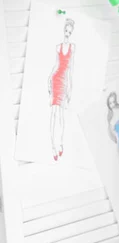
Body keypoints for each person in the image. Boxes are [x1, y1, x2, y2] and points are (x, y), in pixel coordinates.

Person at [48, 18, 75, 161]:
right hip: (56, 79)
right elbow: (56, 65)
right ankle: (53, 146)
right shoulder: (58, 47)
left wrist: (70, 87)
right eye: (66, 30)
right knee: (53, 113)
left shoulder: (72, 48)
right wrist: (49, 80)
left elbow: (71, 69)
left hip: (64, 82)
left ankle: (61, 143)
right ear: (63, 30)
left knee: (61, 115)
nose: (67, 34)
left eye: (69, 32)